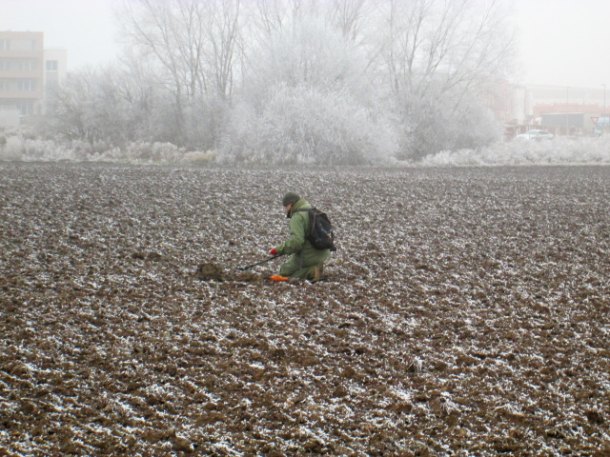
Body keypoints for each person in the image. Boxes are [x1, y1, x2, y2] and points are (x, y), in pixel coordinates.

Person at [269, 192, 331, 281]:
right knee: (290, 271)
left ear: (290, 204)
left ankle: (312, 271)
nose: (285, 210)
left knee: (284, 272)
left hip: (308, 255)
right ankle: (315, 266)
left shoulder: (297, 217)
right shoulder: (311, 209)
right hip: (323, 252)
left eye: (285, 206)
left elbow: (297, 242)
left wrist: (278, 250)